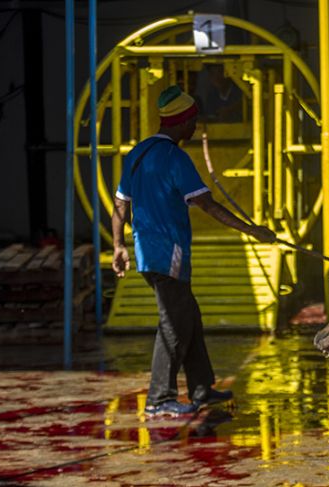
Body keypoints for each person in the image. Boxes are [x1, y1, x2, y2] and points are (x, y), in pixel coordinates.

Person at [112, 85, 276, 416]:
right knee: (174, 323)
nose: (196, 127)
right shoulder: (175, 158)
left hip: (145, 253)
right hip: (168, 252)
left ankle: (202, 389)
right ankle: (159, 399)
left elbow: (120, 203)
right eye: (193, 120)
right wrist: (253, 231)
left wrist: (118, 245)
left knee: (189, 318)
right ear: (182, 121)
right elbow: (208, 205)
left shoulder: (138, 153)